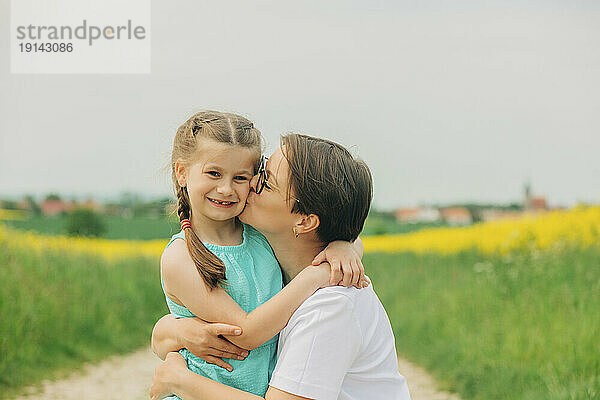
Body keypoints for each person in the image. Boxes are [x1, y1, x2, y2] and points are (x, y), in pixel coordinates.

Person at [150, 133, 411, 400]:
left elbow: (247, 331)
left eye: (266, 182)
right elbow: (170, 331)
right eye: (259, 170)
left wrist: (180, 380)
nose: (248, 184)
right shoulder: (282, 264)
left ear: (305, 222)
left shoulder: (329, 305)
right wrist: (174, 330)